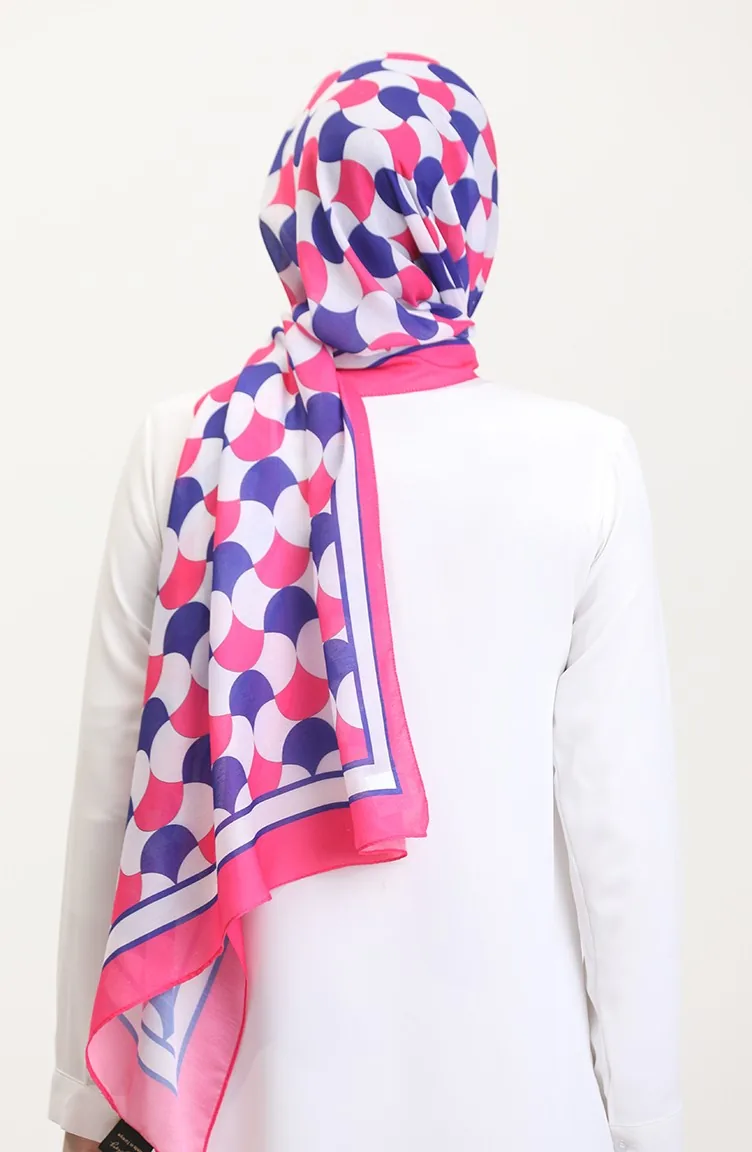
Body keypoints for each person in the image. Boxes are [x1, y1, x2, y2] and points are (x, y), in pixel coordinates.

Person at [50, 52, 682, 1152]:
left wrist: (87, 1101)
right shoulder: (586, 463)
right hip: (521, 1106)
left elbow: (114, 802)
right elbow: (619, 850)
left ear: (296, 203)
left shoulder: (192, 446)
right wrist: (650, 1129)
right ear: (470, 219)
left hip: (250, 1112)